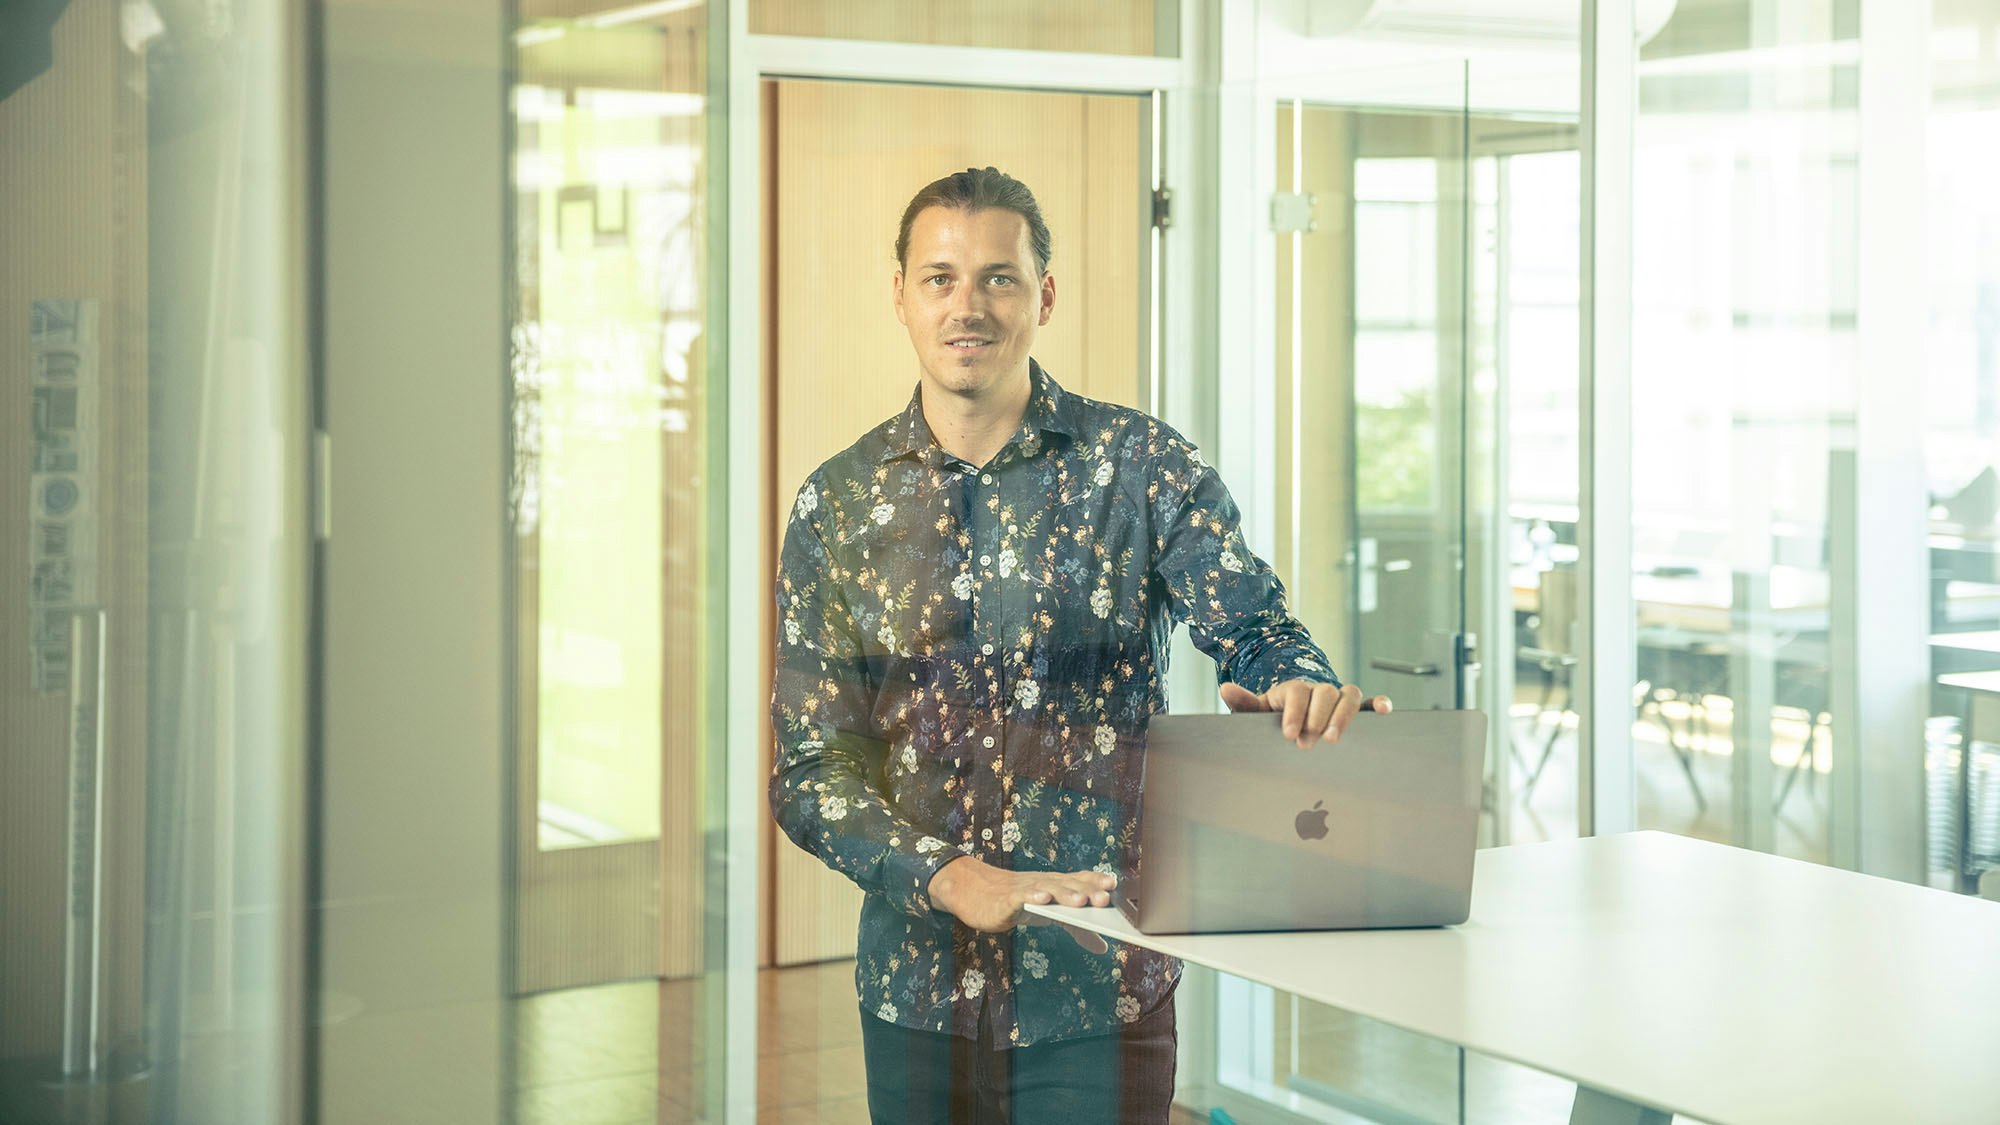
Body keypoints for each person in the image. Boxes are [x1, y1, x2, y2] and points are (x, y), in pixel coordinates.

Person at [769, 166, 1388, 1125]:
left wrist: (1296, 685)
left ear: (1044, 295)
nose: (967, 305)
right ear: (899, 296)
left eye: (998, 278)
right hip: (913, 993)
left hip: (1101, 984)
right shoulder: (837, 505)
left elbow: (1257, 631)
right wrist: (947, 875)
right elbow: (810, 771)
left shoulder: (1142, 467)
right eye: (939, 277)